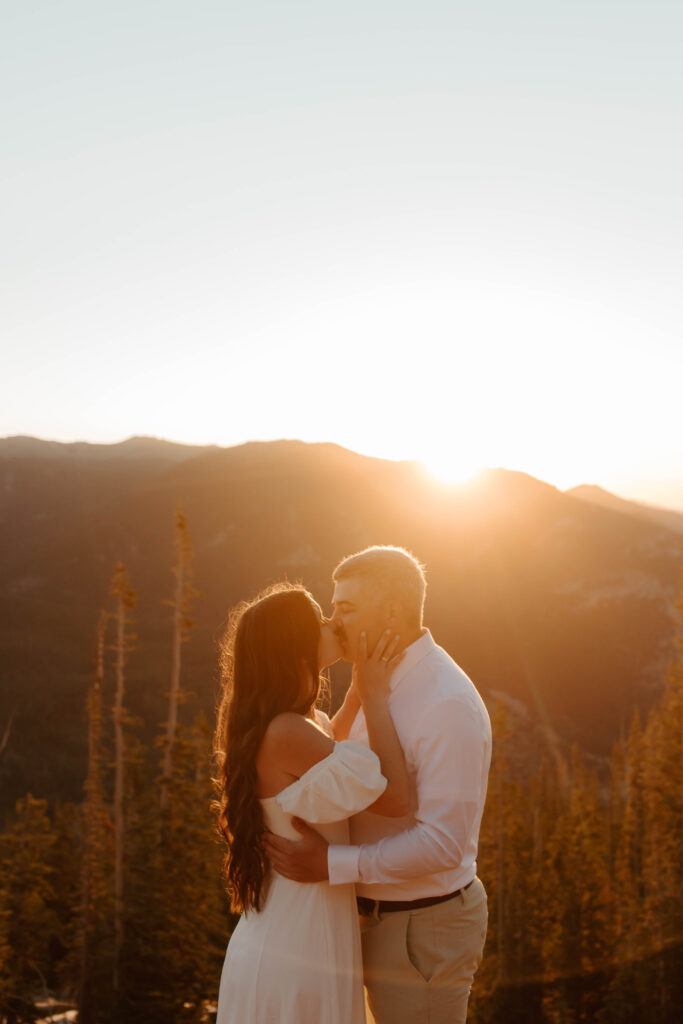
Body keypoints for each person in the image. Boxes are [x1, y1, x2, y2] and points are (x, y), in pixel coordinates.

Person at [264, 546, 492, 1024]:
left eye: (345, 608)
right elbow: (340, 764)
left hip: (419, 929)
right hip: (357, 921)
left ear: (391, 611)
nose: (333, 620)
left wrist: (331, 863)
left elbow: (444, 844)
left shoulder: (446, 702)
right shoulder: (376, 680)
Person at [213, 581, 412, 1024]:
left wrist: (357, 693)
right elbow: (395, 796)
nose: (332, 624)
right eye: (319, 620)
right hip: (298, 947)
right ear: (295, 646)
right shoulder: (285, 732)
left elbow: (329, 744)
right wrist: (375, 699)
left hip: (291, 933)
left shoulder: (295, 723)